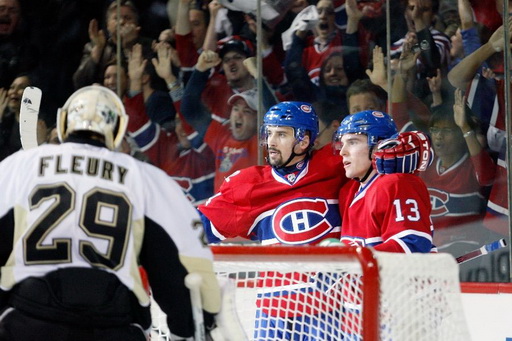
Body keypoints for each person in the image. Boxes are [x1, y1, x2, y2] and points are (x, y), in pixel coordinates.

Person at [0, 85, 222, 340]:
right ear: (117, 129)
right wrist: (193, 325)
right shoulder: (146, 178)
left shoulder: (19, 167)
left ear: (63, 122)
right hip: (111, 327)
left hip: (27, 322)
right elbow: (187, 260)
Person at [334, 110, 435, 252]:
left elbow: (412, 246)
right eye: (342, 144)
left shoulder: (397, 183)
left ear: (379, 146)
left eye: (353, 142)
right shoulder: (353, 192)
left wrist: (355, 260)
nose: (342, 151)